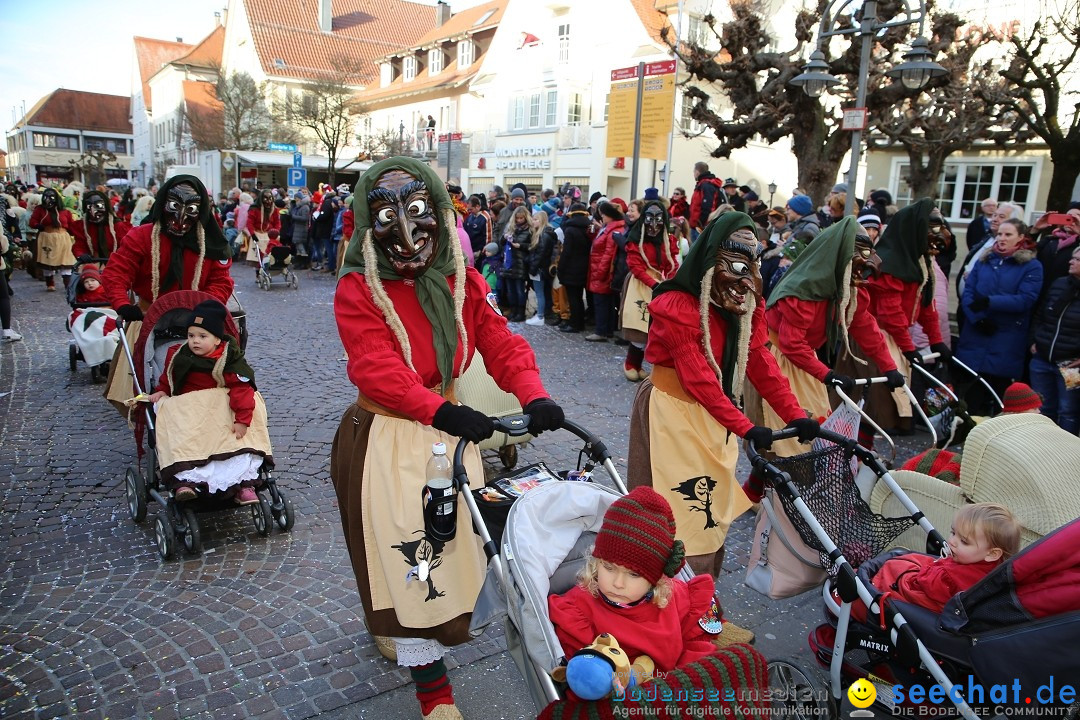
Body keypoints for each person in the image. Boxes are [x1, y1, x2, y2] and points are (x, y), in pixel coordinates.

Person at [331, 157, 564, 720]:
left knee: (460, 549)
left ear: (437, 212)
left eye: (416, 214)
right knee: (412, 560)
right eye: (388, 219)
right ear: (368, 225)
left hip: (447, 432)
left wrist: (532, 393)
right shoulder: (358, 288)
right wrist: (439, 409)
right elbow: (376, 367)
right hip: (390, 438)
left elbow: (499, 339)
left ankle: (447, 638)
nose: (407, 236)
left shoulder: (464, 278)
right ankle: (434, 696)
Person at [626, 212, 817, 643]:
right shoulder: (678, 306)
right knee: (679, 523)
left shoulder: (744, 302)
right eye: (734, 258)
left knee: (710, 523)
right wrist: (748, 427)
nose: (742, 270)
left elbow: (759, 360)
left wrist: (794, 413)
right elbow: (698, 377)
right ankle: (663, 618)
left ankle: (703, 617)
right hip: (672, 417)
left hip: (713, 419)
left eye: (751, 259)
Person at [760, 217, 904, 458]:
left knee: (813, 431)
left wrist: (889, 368)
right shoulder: (803, 291)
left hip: (805, 362)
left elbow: (865, 327)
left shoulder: (847, 290)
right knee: (784, 437)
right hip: (776, 360)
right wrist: (829, 375)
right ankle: (766, 491)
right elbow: (791, 344)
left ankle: (787, 489)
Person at [548, 487, 724, 673]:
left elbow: (698, 643)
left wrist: (682, 683)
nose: (618, 583)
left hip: (674, 689)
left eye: (634, 574)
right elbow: (584, 671)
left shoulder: (676, 598)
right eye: (608, 567)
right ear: (596, 562)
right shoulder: (579, 609)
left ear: (655, 578)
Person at [146, 299, 261, 505]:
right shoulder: (179, 356)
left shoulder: (228, 360)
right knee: (182, 441)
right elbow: (168, 377)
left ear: (217, 339)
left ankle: (243, 485)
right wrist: (162, 391)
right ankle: (185, 483)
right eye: (191, 336)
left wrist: (242, 419)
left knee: (235, 447)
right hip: (190, 416)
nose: (195, 341)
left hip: (219, 415)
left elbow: (241, 390)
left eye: (202, 336)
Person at [864, 199, 952, 431]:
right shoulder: (890, 262)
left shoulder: (920, 262)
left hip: (896, 339)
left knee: (896, 404)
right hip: (874, 337)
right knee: (876, 407)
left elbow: (926, 304)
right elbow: (889, 312)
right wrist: (908, 347)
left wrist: (937, 341)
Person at [101, 175, 234, 319]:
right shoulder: (142, 236)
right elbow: (117, 272)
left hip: (197, 323)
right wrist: (123, 304)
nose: (181, 216)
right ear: (163, 204)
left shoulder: (211, 243)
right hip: (146, 318)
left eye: (191, 208)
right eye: (174, 206)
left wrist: (204, 308)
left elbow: (220, 281)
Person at [868, 503, 1020, 614]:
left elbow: (925, 581)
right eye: (953, 533)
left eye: (964, 541)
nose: (952, 541)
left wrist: (935, 566)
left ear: (992, 554)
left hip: (923, 605)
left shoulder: (953, 577)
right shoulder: (993, 572)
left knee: (891, 569)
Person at [957, 218, 1043, 413]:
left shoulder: (1031, 266)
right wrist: (977, 318)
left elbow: (1026, 299)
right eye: (1000, 234)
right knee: (971, 396)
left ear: (1021, 237)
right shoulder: (985, 260)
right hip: (976, 333)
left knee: (998, 396)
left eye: (1008, 234)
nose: (1002, 238)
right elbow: (969, 293)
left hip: (1006, 337)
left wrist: (990, 301)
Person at [619, 198, 679, 380]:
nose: (654, 223)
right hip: (641, 284)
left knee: (658, 329)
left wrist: (671, 280)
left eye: (658, 218)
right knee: (640, 324)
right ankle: (631, 363)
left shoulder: (669, 240)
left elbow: (673, 263)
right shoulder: (636, 240)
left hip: (662, 283)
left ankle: (642, 365)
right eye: (650, 217)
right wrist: (653, 283)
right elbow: (635, 267)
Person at [1029, 244, 1080, 434]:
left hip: (1072, 365)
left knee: (1069, 411)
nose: (1070, 261)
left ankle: (1067, 455)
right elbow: (1040, 314)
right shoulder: (1059, 283)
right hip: (1042, 358)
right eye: (1072, 257)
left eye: (1077, 259)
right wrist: (1034, 341)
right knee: (1042, 409)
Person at [585, 201, 625, 342]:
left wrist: (600, 273)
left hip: (603, 271)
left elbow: (608, 254)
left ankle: (601, 331)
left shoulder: (613, 230)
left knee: (601, 302)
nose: (601, 216)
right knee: (606, 301)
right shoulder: (609, 228)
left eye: (603, 214)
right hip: (600, 268)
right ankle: (607, 330)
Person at [29, 188, 76, 291]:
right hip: (46, 238)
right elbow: (32, 221)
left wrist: (77, 233)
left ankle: (67, 285)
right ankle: (50, 284)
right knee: (47, 260)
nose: (48, 200)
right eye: (46, 197)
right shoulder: (40, 209)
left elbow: (71, 225)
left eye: (51, 197)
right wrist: (38, 225)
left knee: (66, 262)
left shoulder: (65, 211)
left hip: (63, 238)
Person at [557, 203, 592, 334]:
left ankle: (575, 324)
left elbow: (567, 252)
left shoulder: (570, 229)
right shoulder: (589, 228)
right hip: (585, 266)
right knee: (578, 297)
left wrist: (561, 268)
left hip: (571, 268)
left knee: (573, 298)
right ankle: (579, 322)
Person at [72, 190, 131, 261]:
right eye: (89, 206)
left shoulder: (118, 226)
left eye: (98, 206)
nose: (93, 211)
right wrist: (81, 255)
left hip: (116, 265)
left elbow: (127, 247)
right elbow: (79, 245)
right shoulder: (83, 227)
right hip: (92, 265)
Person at [500, 206, 532, 322]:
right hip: (509, 263)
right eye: (517, 218)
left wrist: (521, 246)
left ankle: (520, 312)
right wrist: (505, 237)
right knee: (510, 290)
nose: (519, 220)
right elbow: (501, 243)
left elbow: (532, 246)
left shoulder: (529, 230)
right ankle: (513, 310)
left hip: (521, 264)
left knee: (519, 290)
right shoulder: (510, 228)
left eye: (521, 218)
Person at [526, 209, 557, 325]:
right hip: (542, 268)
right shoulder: (544, 234)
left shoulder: (543, 236)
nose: (533, 222)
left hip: (540, 269)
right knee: (542, 292)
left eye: (535, 219)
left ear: (542, 221)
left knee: (539, 293)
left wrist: (533, 268)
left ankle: (540, 316)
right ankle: (541, 314)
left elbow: (540, 255)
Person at [244, 189, 281, 273]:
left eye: (270, 198)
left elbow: (277, 222)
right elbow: (250, 223)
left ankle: (269, 271)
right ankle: (258, 273)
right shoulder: (254, 209)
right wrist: (253, 235)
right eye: (266, 198)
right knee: (257, 256)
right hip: (257, 233)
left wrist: (276, 232)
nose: (268, 201)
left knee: (270, 254)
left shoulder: (274, 209)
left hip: (270, 234)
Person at [689, 163, 723, 241]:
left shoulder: (706, 185)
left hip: (701, 227)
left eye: (694, 171)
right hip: (697, 226)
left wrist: (700, 224)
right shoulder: (703, 184)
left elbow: (707, 206)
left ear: (697, 172)